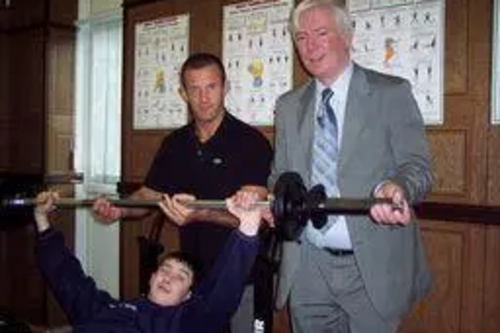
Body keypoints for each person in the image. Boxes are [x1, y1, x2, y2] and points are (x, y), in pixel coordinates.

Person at [269, 1, 433, 332]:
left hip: (371, 266)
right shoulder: (287, 106)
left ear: (347, 35)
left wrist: (398, 187)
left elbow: (418, 168)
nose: (310, 46)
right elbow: (279, 176)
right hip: (307, 265)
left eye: (321, 33)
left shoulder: (391, 93)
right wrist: (266, 198)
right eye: (301, 37)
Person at [93, 52, 273, 333]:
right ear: (183, 93)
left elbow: (255, 218)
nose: (204, 98)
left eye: (211, 87)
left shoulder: (251, 143)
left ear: (225, 88)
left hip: (242, 275)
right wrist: (120, 209)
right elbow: (148, 196)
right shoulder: (175, 144)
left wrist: (200, 213)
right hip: (194, 281)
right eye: (195, 89)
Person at [34, 190, 264, 333]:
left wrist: (248, 228)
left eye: (181, 277)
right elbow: (67, 278)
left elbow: (221, 295)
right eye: (165, 270)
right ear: (152, 278)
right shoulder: (107, 308)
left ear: (188, 296)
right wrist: (41, 218)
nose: (169, 277)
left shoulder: (184, 323)